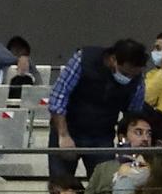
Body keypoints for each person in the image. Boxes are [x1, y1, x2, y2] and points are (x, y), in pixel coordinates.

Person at [47, 39, 149, 183]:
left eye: (134, 74)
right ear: (113, 59)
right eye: (126, 73)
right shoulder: (83, 60)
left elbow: (132, 116)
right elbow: (58, 97)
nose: (129, 78)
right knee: (60, 184)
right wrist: (63, 136)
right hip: (68, 128)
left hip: (102, 136)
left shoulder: (137, 81)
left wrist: (128, 148)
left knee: (104, 186)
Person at [79, 114, 153, 194]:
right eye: (138, 133)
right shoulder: (102, 168)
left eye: (149, 134)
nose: (145, 139)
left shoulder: (153, 169)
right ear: (122, 138)